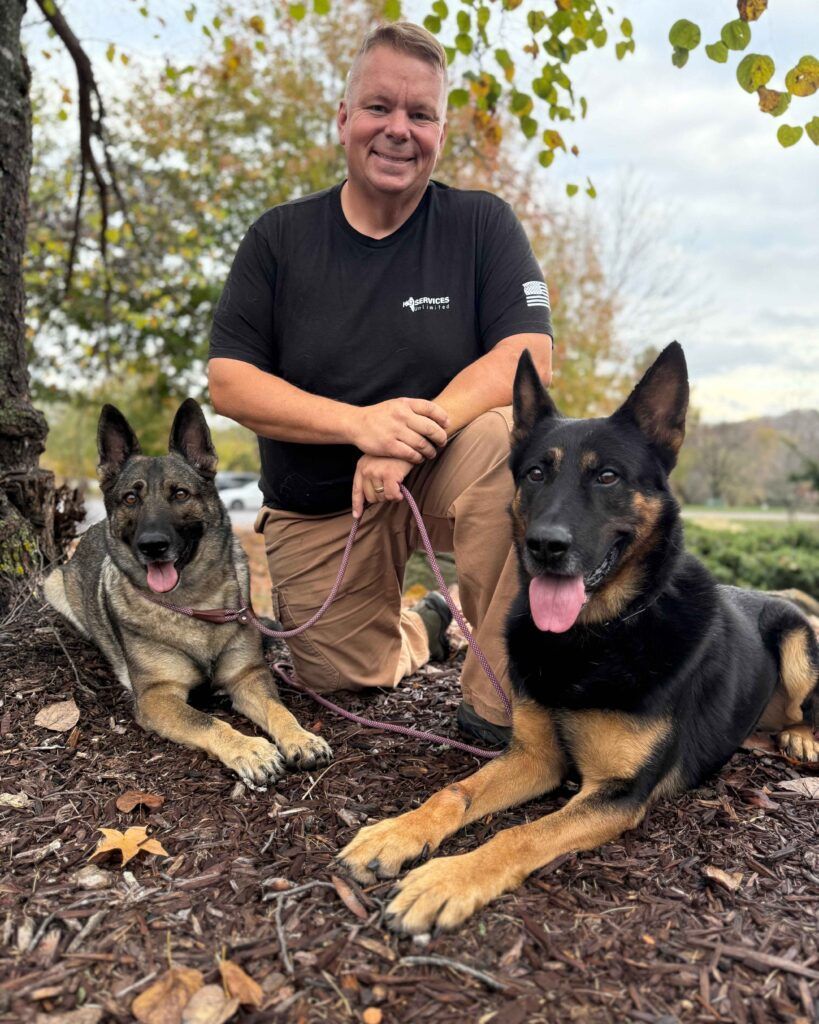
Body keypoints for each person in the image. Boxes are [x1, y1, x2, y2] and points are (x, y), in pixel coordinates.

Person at [208, 22, 553, 746]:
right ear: (342, 119)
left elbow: (527, 360)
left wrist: (405, 440)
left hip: (443, 471)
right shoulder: (278, 239)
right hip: (323, 505)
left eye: (420, 114)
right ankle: (426, 623)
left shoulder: (481, 225)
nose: (398, 130)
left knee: (511, 449)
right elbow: (230, 383)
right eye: (378, 108)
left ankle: (494, 704)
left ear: (439, 130)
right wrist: (359, 426)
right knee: (343, 679)